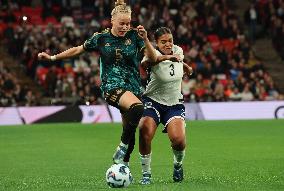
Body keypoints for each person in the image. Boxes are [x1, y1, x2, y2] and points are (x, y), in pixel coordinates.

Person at [38, 0, 157, 165]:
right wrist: (53, 57)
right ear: (112, 21)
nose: (125, 27)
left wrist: (146, 40)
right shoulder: (101, 38)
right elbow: (78, 49)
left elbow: (152, 58)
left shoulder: (135, 36)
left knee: (129, 130)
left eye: (128, 23)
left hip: (133, 88)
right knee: (137, 109)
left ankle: (122, 166)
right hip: (112, 86)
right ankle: (121, 147)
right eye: (121, 23)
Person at [138, 27, 193, 184]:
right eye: (163, 42)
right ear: (156, 43)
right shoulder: (151, 52)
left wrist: (186, 67)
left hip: (174, 104)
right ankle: (146, 174)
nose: (168, 44)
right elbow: (151, 61)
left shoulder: (178, 50)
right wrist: (145, 39)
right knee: (144, 131)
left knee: (179, 140)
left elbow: (177, 61)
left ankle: (178, 165)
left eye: (170, 41)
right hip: (153, 101)